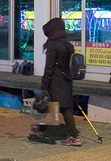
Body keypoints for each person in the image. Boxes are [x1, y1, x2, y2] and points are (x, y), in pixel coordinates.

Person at [33, 17, 81, 146]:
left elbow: (49, 67)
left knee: (54, 106)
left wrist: (44, 84)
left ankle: (74, 136)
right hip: (66, 79)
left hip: (55, 80)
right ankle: (41, 130)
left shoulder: (53, 45)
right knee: (58, 106)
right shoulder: (67, 44)